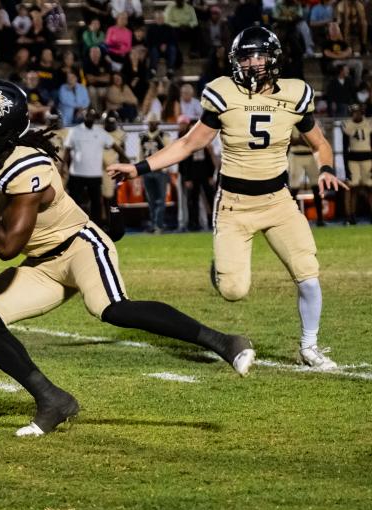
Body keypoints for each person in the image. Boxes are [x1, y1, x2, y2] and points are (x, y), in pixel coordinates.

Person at [0, 80, 255, 435]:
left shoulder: (26, 166)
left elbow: (6, 247)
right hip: (43, 266)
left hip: (79, 246)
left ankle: (224, 341)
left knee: (112, 308)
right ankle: (52, 399)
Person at [108, 27, 345, 370]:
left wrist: (325, 168)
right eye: (244, 57)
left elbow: (321, 144)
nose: (251, 63)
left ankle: (310, 346)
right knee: (234, 291)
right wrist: (139, 167)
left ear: (273, 58)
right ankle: (220, 269)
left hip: (279, 202)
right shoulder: (223, 93)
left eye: (258, 56)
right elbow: (190, 143)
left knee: (308, 274)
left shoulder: (295, 94)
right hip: (234, 205)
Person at [61, 108, 128, 225]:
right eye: (88, 115)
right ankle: (73, 224)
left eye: (92, 116)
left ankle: (97, 225)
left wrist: (124, 157)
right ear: (84, 116)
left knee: (96, 202)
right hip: (77, 173)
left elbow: (114, 145)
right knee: (75, 201)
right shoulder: (74, 131)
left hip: (94, 174)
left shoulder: (100, 132)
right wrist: (62, 166)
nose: (90, 118)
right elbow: (67, 150)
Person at [139, 112, 170, 232]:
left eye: (153, 122)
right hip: (147, 171)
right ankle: (153, 224)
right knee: (151, 200)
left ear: (158, 123)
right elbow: (140, 155)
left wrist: (165, 168)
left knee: (161, 199)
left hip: (160, 171)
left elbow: (170, 152)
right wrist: (139, 169)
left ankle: (159, 225)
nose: (151, 124)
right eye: (150, 123)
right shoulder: (143, 137)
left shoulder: (163, 136)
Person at [342, 103, 372, 224]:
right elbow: (345, 148)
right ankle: (349, 216)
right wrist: (345, 168)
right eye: (354, 112)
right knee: (351, 188)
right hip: (353, 159)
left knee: (370, 188)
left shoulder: (369, 123)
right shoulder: (347, 125)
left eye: (358, 111)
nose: (356, 114)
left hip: (368, 158)